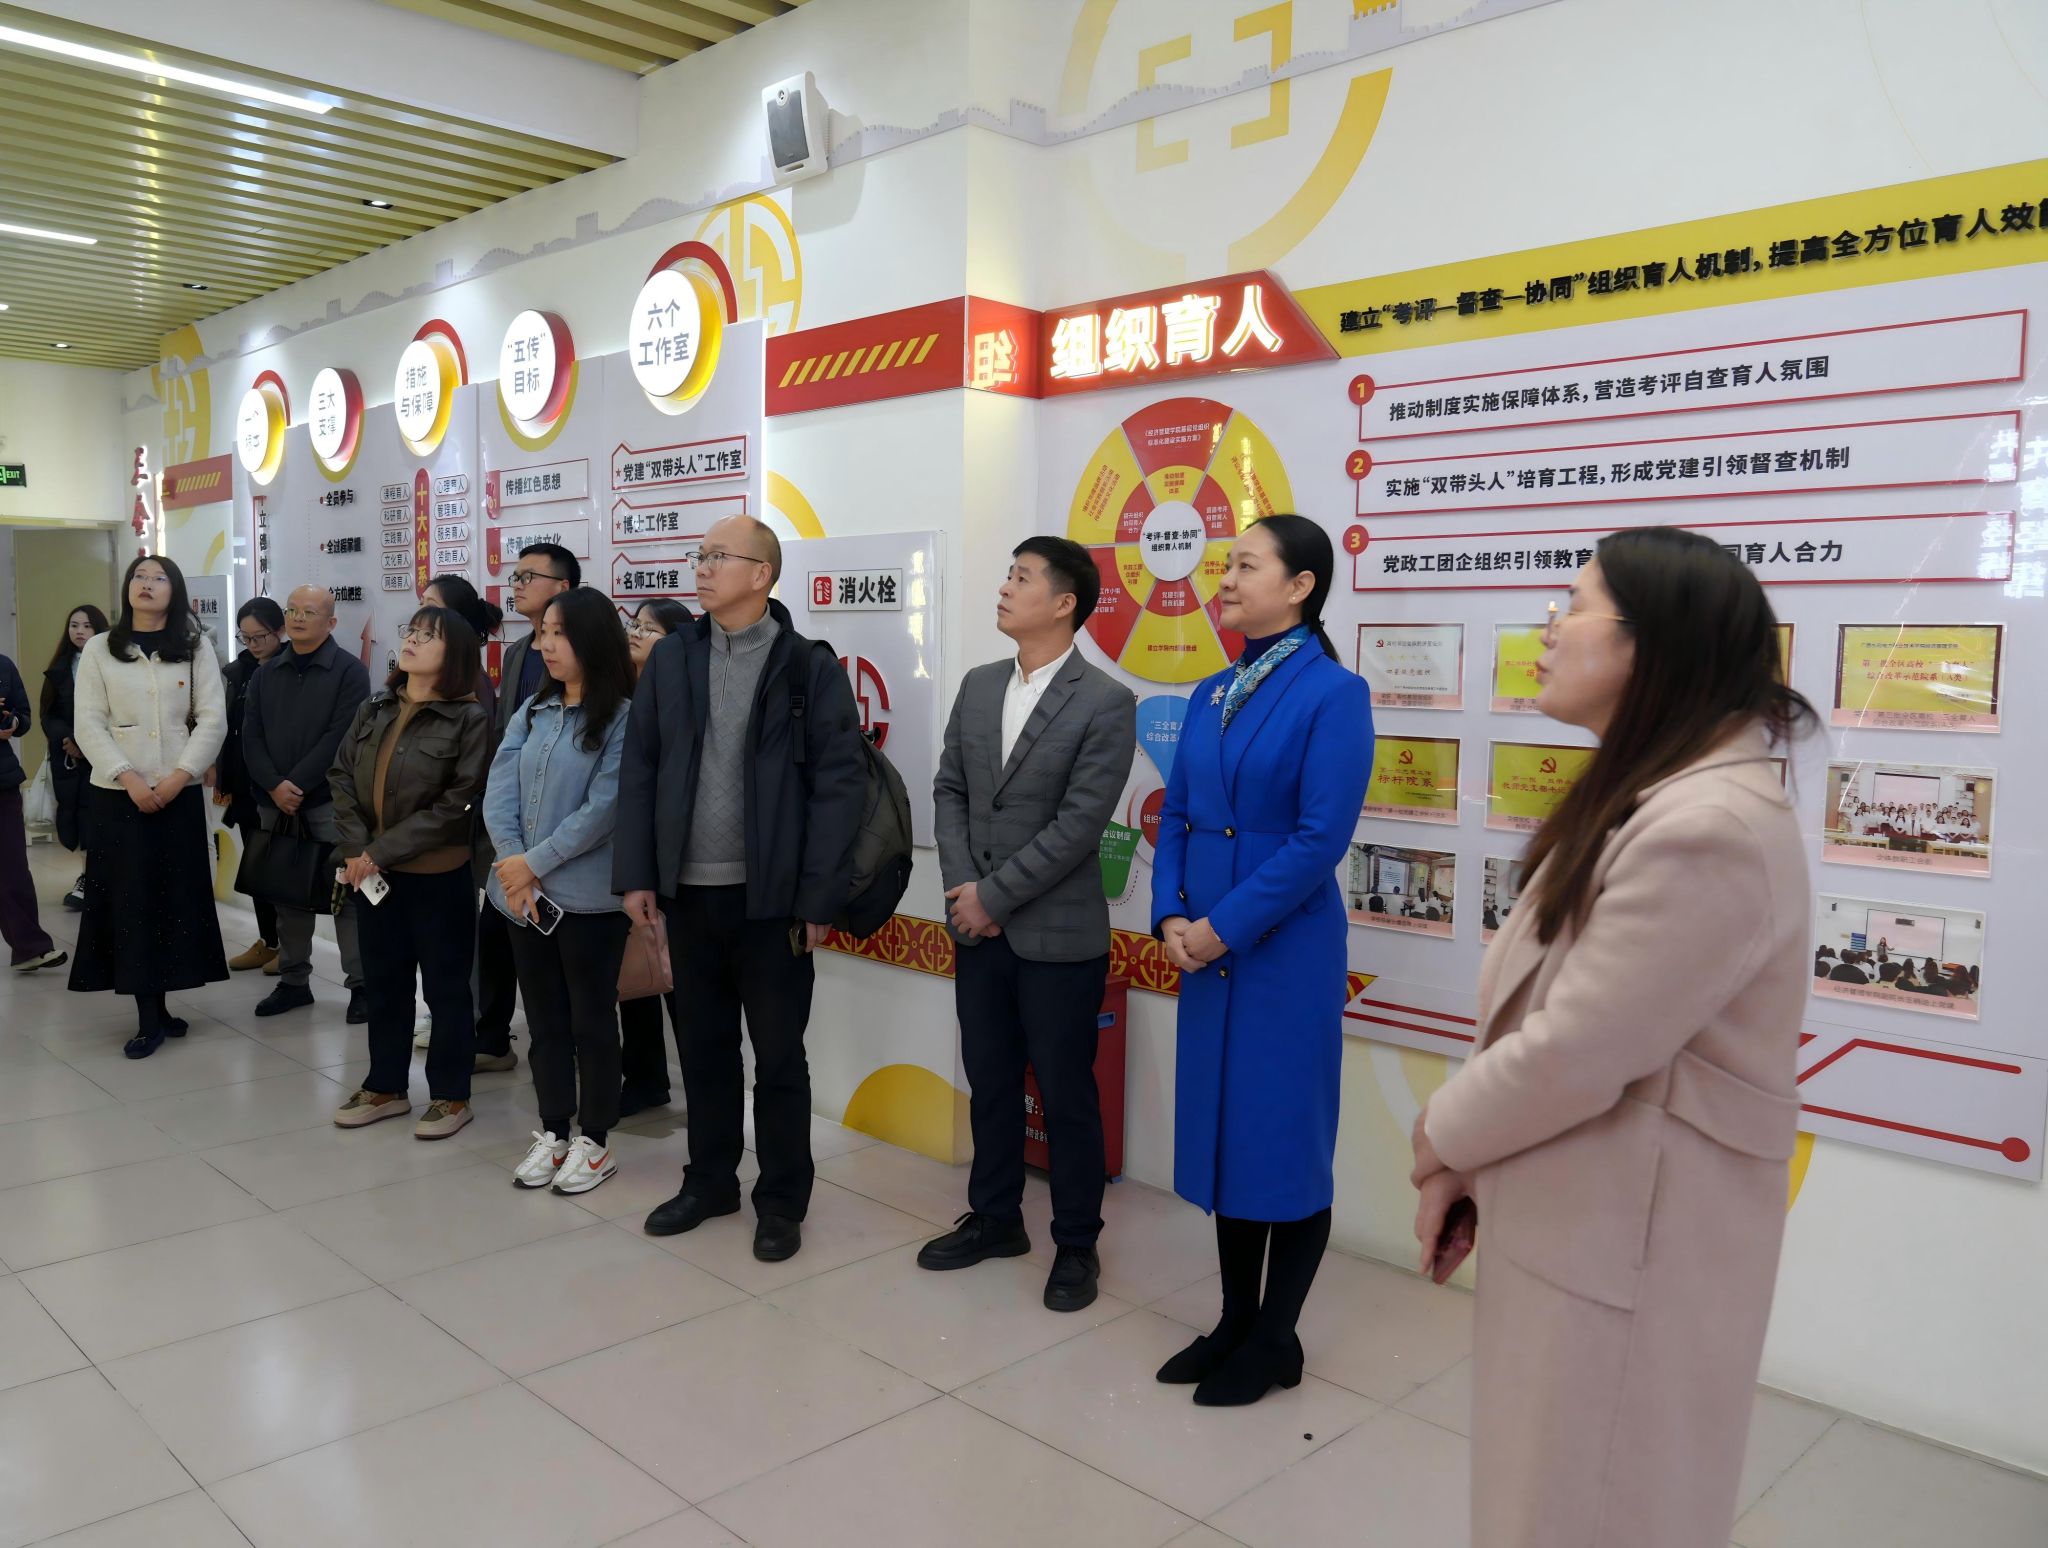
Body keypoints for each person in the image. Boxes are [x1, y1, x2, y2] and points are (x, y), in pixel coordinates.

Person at [1409, 527, 1813, 1548]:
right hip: (1586, 1210)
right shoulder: (1658, 795)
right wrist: (1473, 1161)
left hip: (1633, 1242)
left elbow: (1575, 1052)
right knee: (1550, 1492)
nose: (1547, 629)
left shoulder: (1706, 828)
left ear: (1650, 644)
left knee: (1592, 1503)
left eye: (1574, 605)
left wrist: (1440, 1136)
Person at [1151, 514, 1373, 1406]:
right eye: (1227, 564)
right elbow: (1177, 814)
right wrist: (1172, 913)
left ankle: (1278, 1337)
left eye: (1246, 565)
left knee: (1285, 1143)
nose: (1226, 579)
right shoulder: (1213, 691)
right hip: (1209, 952)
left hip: (1282, 959)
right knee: (1230, 1140)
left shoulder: (1334, 694)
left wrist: (1224, 926)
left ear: (1301, 586)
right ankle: (1236, 1320)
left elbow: (1320, 840)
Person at [616, 514, 864, 1263]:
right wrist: (637, 875)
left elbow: (839, 788)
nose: (701, 567)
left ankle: (782, 1199)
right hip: (688, 894)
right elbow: (642, 765)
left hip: (773, 902)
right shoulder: (674, 657)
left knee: (779, 1056)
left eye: (718, 557)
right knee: (704, 1049)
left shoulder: (807, 666)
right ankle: (710, 1181)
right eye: (699, 555)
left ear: (761, 574)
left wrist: (817, 899)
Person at [919, 537, 1137, 1312]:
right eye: (1007, 575)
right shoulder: (980, 685)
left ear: (1065, 602)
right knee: (990, 1083)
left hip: (1057, 939)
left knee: (1067, 1095)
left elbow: (1079, 825)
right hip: (977, 928)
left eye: (1022, 577)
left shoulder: (1105, 701)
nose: (1005, 588)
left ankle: (1076, 1243)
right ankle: (995, 1219)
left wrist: (994, 896)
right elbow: (949, 788)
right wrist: (963, 888)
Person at [487, 588, 635, 1194]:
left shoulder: (623, 717)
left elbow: (604, 810)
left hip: (589, 900)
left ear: (593, 641)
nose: (545, 645)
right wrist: (512, 864)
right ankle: (553, 1131)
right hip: (523, 899)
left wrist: (534, 863)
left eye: (560, 633)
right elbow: (500, 788)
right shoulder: (533, 710)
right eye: (543, 632)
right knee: (544, 1022)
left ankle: (594, 1142)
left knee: (591, 1023)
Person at [328, 605, 491, 1139]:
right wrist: (358, 849)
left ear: (455, 654)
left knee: (446, 989)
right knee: (384, 983)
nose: (414, 640)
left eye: (429, 635)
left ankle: (451, 1095)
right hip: (372, 874)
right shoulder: (376, 706)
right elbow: (341, 776)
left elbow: (458, 803)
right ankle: (385, 1086)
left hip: (436, 875)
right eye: (413, 631)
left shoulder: (468, 718)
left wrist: (379, 851)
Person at [67, 554, 227, 1057]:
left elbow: (212, 719)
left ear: (174, 592)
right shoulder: (101, 648)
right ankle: (147, 1017)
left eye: (159, 578)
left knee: (174, 899)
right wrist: (129, 777)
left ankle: (161, 1005)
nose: (147, 584)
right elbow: (88, 722)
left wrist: (180, 776)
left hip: (178, 794)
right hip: (119, 797)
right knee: (131, 900)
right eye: (139, 576)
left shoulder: (195, 646)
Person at [242, 585, 371, 1020]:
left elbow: (341, 737)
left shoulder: (349, 672)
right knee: (287, 894)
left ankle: (361, 987)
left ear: (331, 622)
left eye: (309, 612)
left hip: (330, 803)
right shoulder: (265, 673)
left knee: (346, 894)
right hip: (275, 802)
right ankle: (294, 981)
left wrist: (294, 784)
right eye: (292, 610)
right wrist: (274, 786)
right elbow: (251, 735)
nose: (298, 618)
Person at [475, 542, 577, 1072]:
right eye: (514, 576)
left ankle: (566, 1054)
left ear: (562, 587)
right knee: (495, 936)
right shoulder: (517, 652)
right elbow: (504, 744)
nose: (516, 585)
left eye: (528, 576)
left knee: (561, 962)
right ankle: (493, 1039)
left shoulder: (588, 655)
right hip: (512, 827)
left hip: (564, 835)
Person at [418, 573, 505, 1052]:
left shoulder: (469, 679)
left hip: (459, 825)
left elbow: (469, 768)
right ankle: (448, 1014)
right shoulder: (430, 676)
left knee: (461, 930)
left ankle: (463, 1020)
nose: (421, 617)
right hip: (433, 824)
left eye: (432, 606)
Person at [618, 597, 694, 1115]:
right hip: (631, 859)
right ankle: (644, 1079)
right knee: (638, 973)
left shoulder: (684, 697)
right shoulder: (620, 695)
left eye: (650, 629)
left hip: (679, 864)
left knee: (683, 982)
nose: (636, 633)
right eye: (635, 624)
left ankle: (701, 1084)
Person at [216, 598, 285, 971]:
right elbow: (230, 728)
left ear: (280, 631)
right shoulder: (238, 671)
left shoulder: (289, 669)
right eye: (246, 637)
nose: (254, 645)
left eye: (261, 637)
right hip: (244, 785)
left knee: (281, 868)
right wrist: (222, 773)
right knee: (256, 866)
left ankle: (290, 946)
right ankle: (268, 940)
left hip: (276, 788)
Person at [0, 646, 67, 973]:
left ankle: (30, 948)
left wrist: (12, 721)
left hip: (3, 781)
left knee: (12, 868)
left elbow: (24, 715)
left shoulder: (3, 665)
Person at [40, 604, 109, 911]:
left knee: (102, 818)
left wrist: (86, 742)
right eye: (74, 625)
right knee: (79, 820)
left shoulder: (112, 663)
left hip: (105, 755)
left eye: (87, 626)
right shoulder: (59, 668)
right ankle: (87, 878)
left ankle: (103, 879)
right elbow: (47, 713)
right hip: (70, 757)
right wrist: (68, 739)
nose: (79, 631)